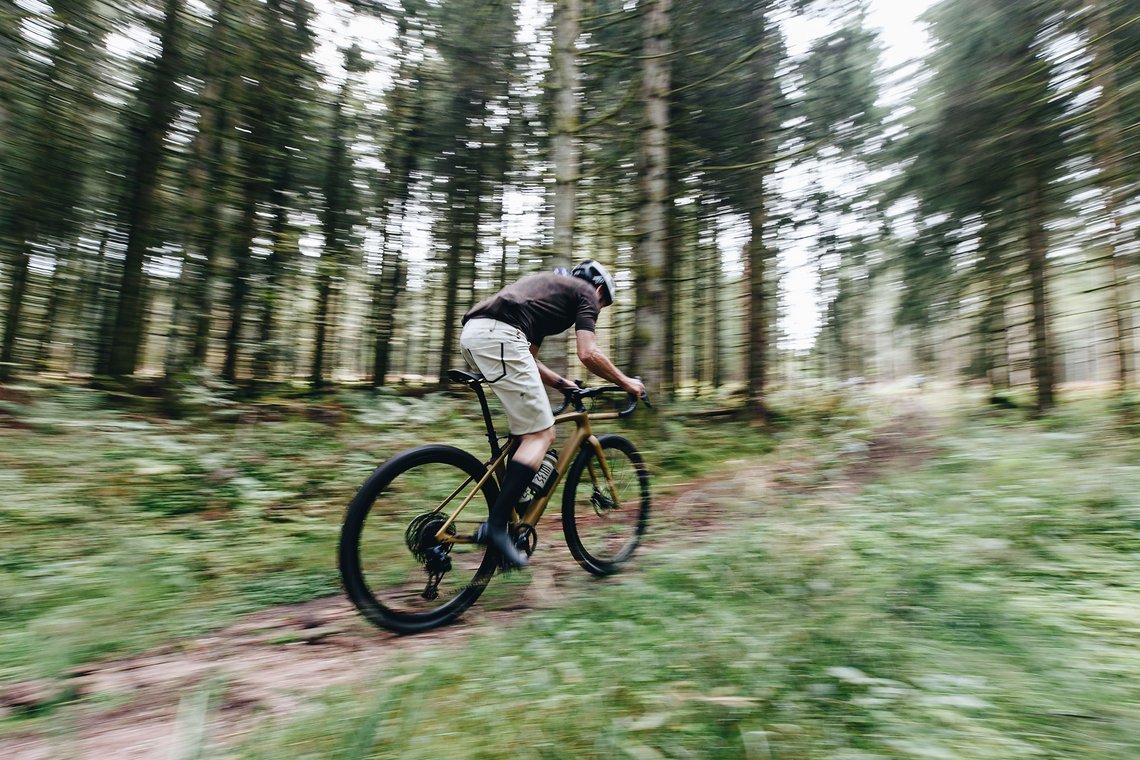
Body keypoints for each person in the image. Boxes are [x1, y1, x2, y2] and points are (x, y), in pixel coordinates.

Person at [459, 260, 646, 569]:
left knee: (525, 434)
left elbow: (528, 358)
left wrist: (563, 383)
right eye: (602, 304)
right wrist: (627, 382)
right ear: (598, 289)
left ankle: (510, 525)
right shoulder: (586, 291)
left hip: (476, 334)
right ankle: (495, 527)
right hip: (500, 338)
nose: (597, 309)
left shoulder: (548, 295)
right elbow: (588, 353)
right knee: (543, 434)